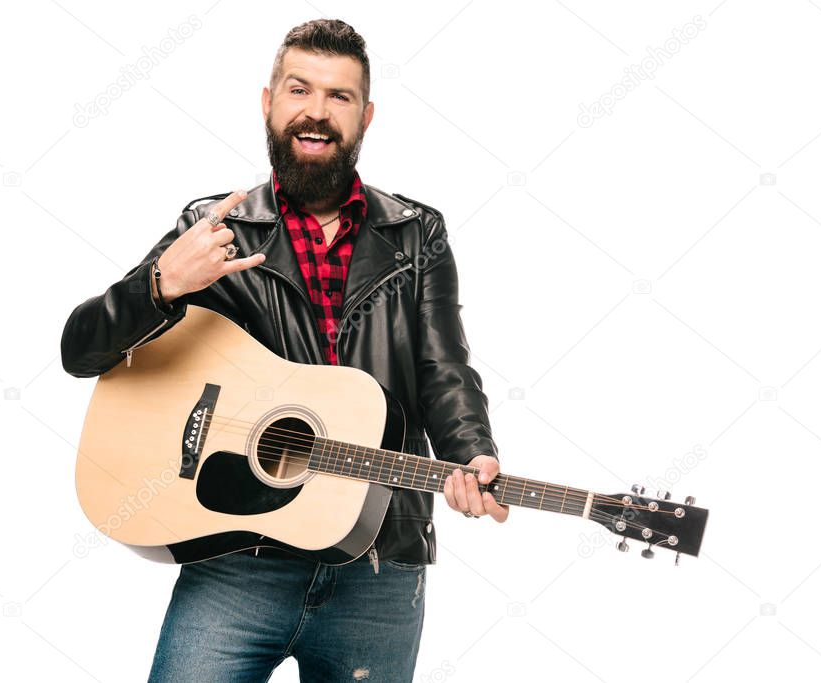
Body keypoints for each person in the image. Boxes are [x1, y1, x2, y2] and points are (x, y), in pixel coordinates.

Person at [60, 18, 509, 682]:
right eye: (300, 89)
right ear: (268, 100)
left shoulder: (416, 235)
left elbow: (442, 366)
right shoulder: (214, 229)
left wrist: (470, 452)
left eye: (339, 96)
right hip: (237, 562)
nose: (317, 112)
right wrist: (162, 286)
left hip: (379, 563)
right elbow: (81, 350)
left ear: (366, 116)